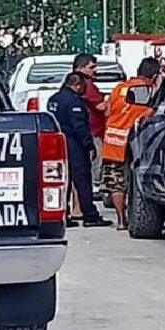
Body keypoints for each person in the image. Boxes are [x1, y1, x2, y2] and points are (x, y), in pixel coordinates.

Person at [101, 57, 161, 230]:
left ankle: (121, 221)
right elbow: (149, 113)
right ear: (155, 76)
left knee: (116, 183)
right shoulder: (147, 91)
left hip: (112, 141)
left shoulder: (120, 88)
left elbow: (108, 111)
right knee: (134, 182)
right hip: (133, 141)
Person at [48, 73, 112, 228]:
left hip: (57, 144)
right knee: (82, 180)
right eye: (83, 85)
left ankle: (62, 215)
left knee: (63, 182)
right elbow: (80, 127)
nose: (85, 89)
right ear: (76, 84)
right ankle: (90, 215)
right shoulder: (74, 102)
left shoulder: (54, 99)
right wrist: (89, 146)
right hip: (74, 144)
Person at [73, 54, 107, 191]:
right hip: (93, 131)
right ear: (80, 68)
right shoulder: (87, 85)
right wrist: (116, 100)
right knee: (96, 160)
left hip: (89, 130)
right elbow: (101, 106)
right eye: (91, 67)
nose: (95, 70)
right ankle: (95, 185)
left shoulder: (80, 85)